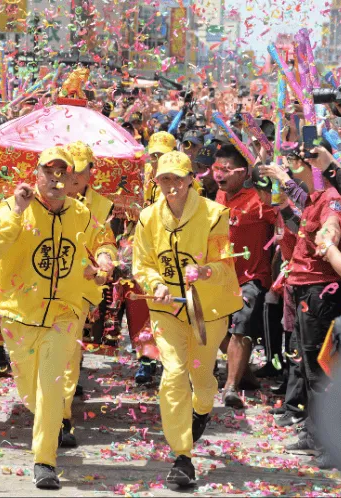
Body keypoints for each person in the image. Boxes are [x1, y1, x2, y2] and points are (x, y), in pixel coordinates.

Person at [0, 146, 115, 490]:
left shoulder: (82, 212)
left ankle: (45, 459)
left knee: (52, 387)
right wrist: (18, 210)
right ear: (36, 174)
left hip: (64, 313)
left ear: (73, 179)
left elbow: (103, 243)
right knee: (29, 391)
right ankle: (47, 423)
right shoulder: (13, 207)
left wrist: (103, 263)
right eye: (49, 171)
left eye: (63, 173)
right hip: (19, 314)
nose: (55, 179)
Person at [132, 151, 242, 488]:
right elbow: (143, 264)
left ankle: (203, 409)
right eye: (164, 179)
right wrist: (156, 284)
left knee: (202, 377)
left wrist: (208, 270)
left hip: (208, 312)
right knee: (174, 374)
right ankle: (182, 457)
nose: (171, 185)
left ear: (191, 178)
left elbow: (225, 265)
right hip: (167, 312)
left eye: (177, 178)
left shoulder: (214, 215)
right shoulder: (147, 218)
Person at [280, 142, 341, 468]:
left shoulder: (332, 199)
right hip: (302, 290)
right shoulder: (312, 198)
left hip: (320, 293)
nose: (293, 171)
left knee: (321, 370)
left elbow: (332, 225)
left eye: (297, 164)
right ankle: (313, 432)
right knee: (308, 369)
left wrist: (330, 234)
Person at [60, 140, 116, 447]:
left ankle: (62, 417)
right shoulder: (42, 198)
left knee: (69, 355)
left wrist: (105, 258)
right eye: (67, 170)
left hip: (78, 289)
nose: (73, 178)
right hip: (38, 289)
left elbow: (105, 241)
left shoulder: (102, 205)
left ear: (91, 171)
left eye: (79, 171)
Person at [213, 145, 275, 407]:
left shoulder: (260, 199)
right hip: (221, 276)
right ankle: (244, 372)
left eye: (225, 169)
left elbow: (284, 222)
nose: (218, 174)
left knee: (241, 325)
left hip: (252, 277)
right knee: (212, 326)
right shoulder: (219, 195)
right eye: (216, 168)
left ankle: (230, 386)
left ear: (243, 172)